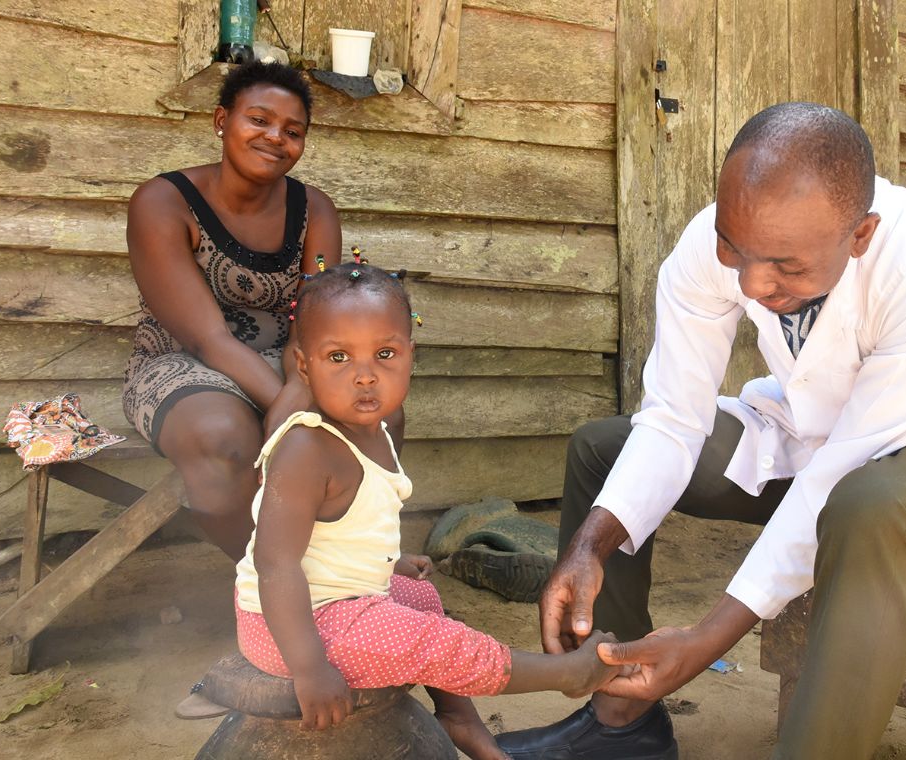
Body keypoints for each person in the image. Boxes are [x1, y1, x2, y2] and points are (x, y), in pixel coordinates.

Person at [495, 102, 906, 759]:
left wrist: (707, 638)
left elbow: (842, 473)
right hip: (807, 438)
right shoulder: (717, 245)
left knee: (865, 507)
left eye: (786, 266)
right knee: (603, 452)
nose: (752, 282)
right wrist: (591, 542)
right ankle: (621, 719)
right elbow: (674, 415)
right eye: (736, 249)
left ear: (860, 235)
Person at [234, 261, 620, 759]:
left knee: (420, 599)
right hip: (288, 626)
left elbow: (336, 532)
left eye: (385, 353)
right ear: (303, 366)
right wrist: (309, 668)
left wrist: (389, 563)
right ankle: (565, 674)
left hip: (336, 601)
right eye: (338, 358)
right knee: (433, 640)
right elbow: (276, 563)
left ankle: (458, 716)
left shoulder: (374, 430)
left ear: (410, 356)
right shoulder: (306, 449)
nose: (365, 375)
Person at [123, 61, 341, 562]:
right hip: (181, 366)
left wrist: (306, 386)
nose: (275, 137)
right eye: (258, 120)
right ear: (222, 120)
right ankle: (272, 585)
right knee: (223, 440)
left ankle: (349, 569)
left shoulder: (315, 211)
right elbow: (208, 338)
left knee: (378, 410)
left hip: (289, 363)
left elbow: (313, 324)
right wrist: (296, 409)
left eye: (292, 131)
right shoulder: (163, 202)